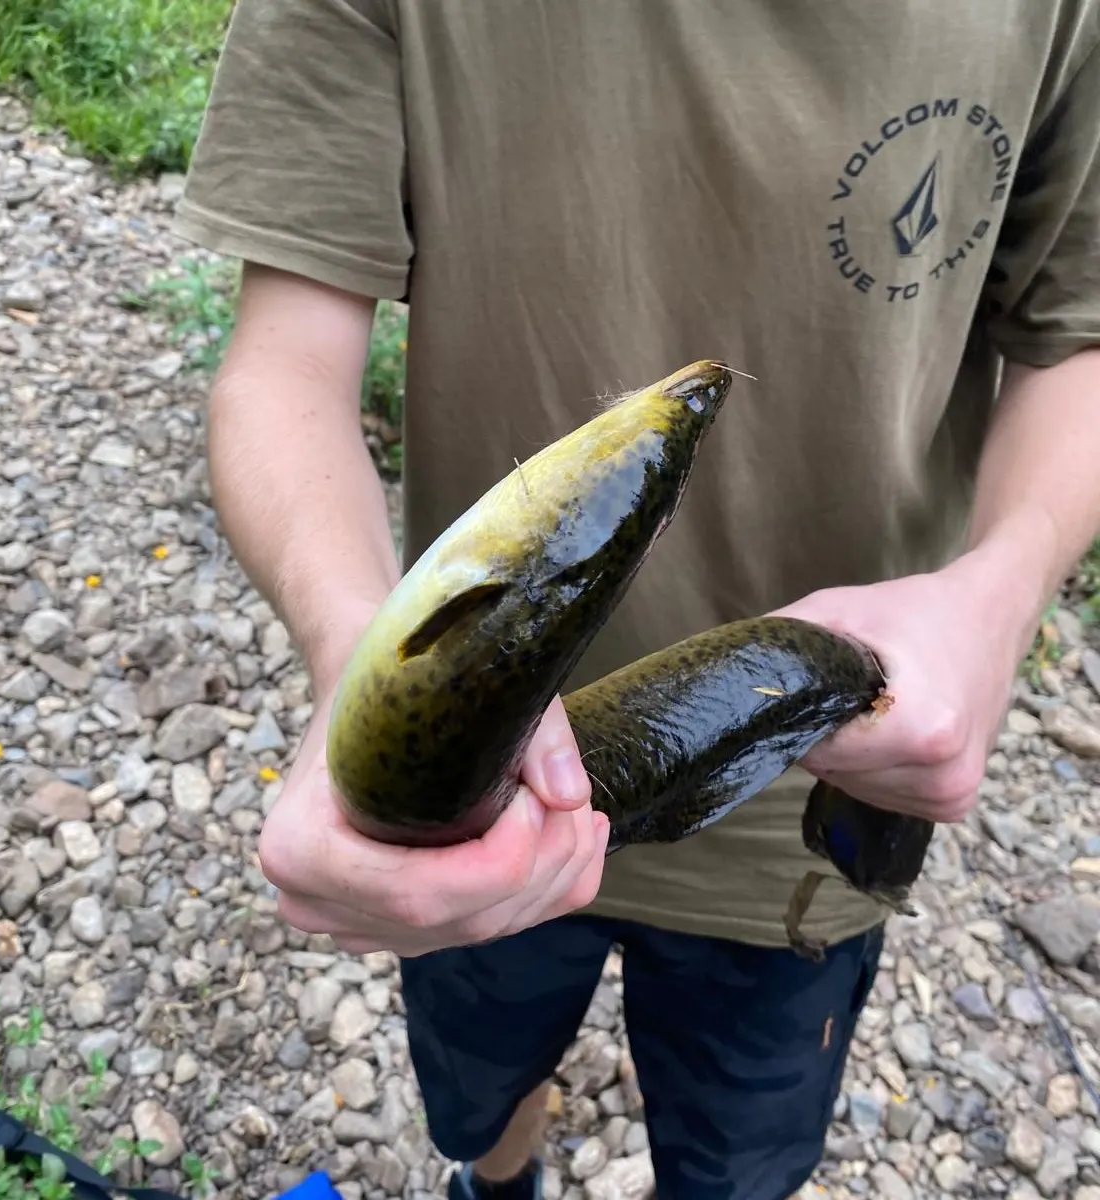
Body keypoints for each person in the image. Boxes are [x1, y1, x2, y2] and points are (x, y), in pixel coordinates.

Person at [171, 3, 1100, 1197]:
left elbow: (1075, 333)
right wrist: (364, 668)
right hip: (477, 807)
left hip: (822, 794)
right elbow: (284, 358)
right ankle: (499, 1181)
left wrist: (1003, 587)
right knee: (479, 1099)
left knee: (733, 1164)